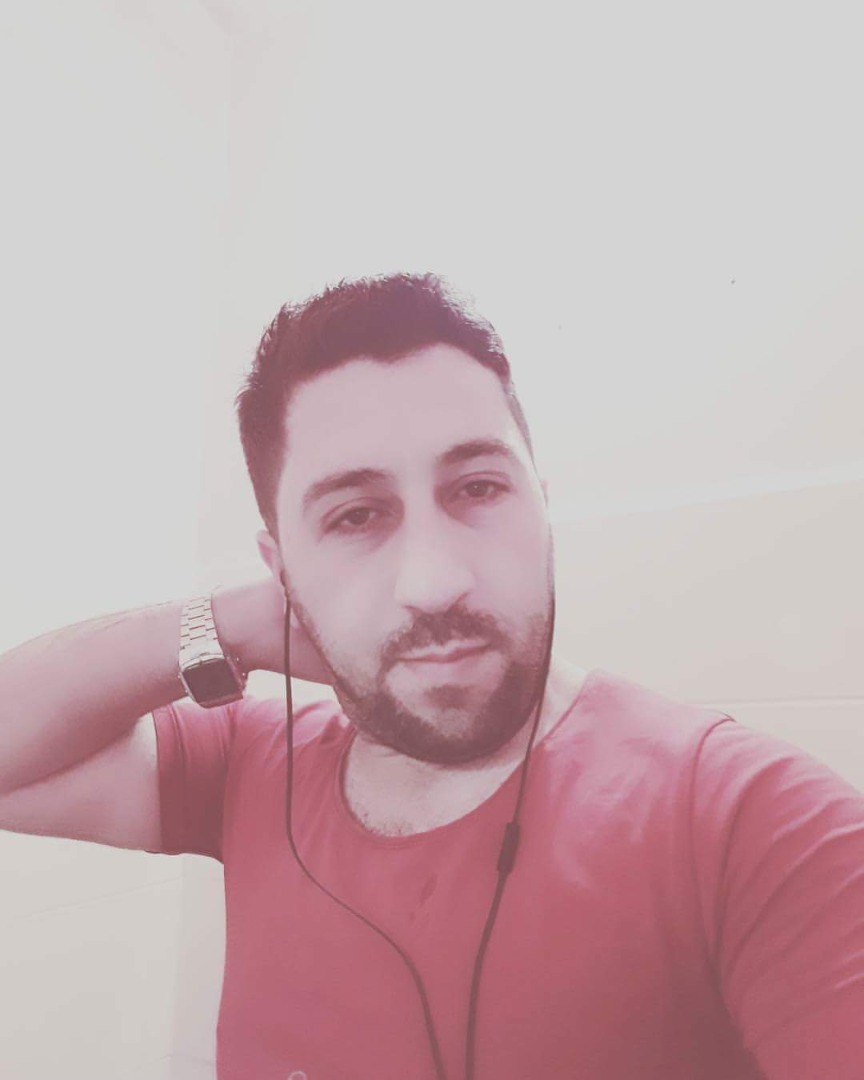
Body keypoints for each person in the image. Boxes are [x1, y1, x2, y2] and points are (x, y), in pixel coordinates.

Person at [0, 273, 862, 1080]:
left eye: (478, 489)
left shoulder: (757, 825)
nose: (435, 581)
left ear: (541, 506)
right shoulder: (252, 764)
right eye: (355, 516)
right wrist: (228, 624)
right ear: (281, 568)